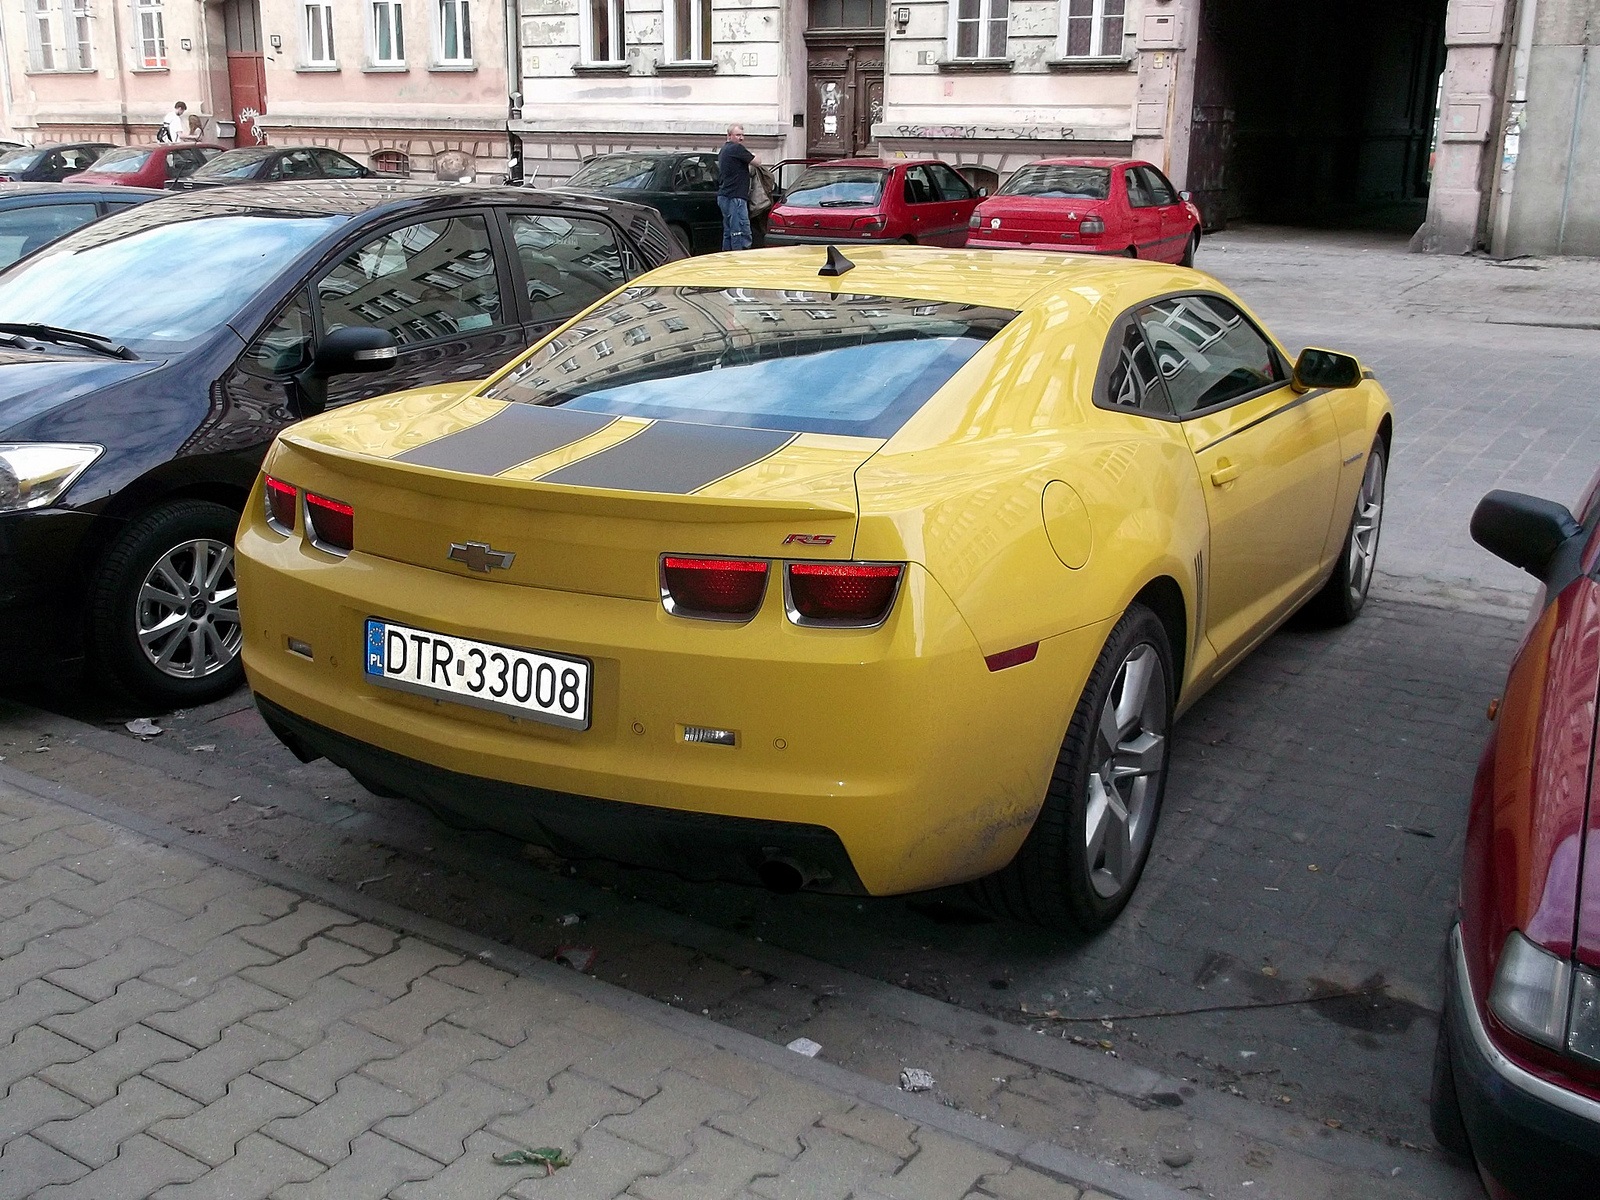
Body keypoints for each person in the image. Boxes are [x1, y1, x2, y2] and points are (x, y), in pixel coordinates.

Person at [716, 124, 755, 252]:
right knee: (740, 231)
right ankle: (739, 260)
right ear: (729, 136)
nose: (741, 138)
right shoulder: (736, 149)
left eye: (742, 135)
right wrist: (754, 155)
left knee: (729, 231)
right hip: (735, 197)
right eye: (738, 135)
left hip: (724, 196)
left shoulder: (724, 150)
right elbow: (757, 162)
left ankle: (727, 257)